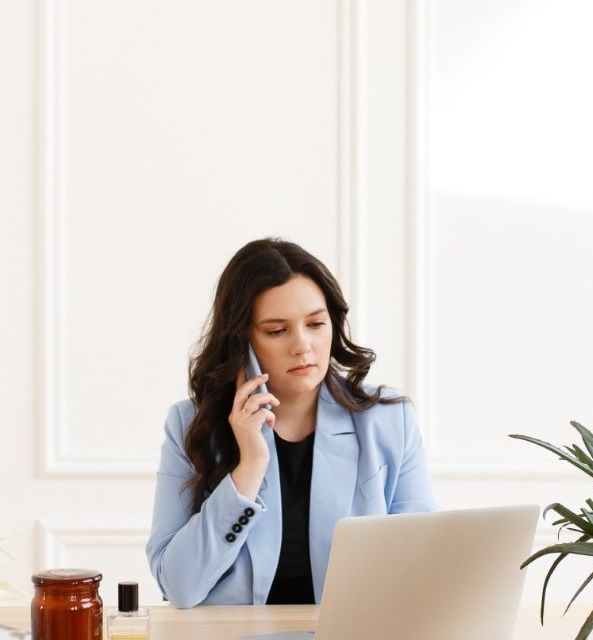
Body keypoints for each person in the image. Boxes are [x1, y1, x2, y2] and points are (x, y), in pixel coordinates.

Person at [146, 238, 437, 608]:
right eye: (276, 330)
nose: (303, 345)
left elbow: (424, 564)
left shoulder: (389, 419)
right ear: (242, 339)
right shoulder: (189, 423)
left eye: (316, 324)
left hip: (351, 637)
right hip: (228, 639)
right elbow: (179, 586)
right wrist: (249, 468)